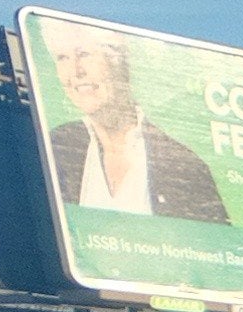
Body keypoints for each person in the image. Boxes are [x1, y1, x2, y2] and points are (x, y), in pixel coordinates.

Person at [45, 34, 230, 226]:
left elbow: (218, 248)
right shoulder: (54, 148)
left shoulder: (184, 166)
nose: (75, 71)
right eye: (62, 58)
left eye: (84, 54)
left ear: (119, 62)